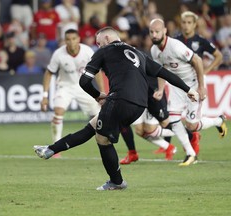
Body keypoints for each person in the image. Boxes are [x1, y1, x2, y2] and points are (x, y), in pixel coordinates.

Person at [34, 26, 199, 190]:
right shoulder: (137, 53)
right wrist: (189, 89)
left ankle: (116, 181)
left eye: (99, 43)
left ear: (106, 39)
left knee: (101, 138)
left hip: (120, 99)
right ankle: (51, 149)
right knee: (92, 127)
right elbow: (164, 72)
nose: (98, 46)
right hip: (140, 104)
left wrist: (97, 95)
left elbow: (84, 81)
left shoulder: (104, 52)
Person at [149, 18, 227, 165]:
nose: (154, 35)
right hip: (177, 87)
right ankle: (190, 153)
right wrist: (160, 89)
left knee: (192, 125)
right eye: (151, 32)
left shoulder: (175, 46)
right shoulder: (154, 50)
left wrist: (201, 86)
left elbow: (197, 60)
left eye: (157, 31)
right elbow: (161, 71)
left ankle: (218, 120)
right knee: (173, 118)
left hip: (193, 84)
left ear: (165, 31)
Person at [40, 29, 104, 152]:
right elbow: (49, 73)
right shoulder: (58, 54)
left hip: (84, 88)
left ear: (78, 39)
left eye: (73, 39)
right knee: (58, 111)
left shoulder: (87, 51)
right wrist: (44, 96)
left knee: (97, 116)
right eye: (68, 39)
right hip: (65, 87)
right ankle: (55, 145)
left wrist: (102, 92)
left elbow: (97, 72)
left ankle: (104, 140)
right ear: (65, 41)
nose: (71, 42)